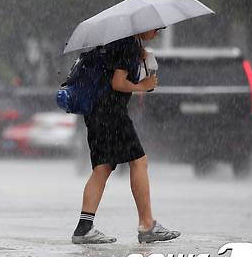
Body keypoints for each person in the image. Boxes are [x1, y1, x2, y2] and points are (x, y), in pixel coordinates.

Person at [71, 29, 181, 244]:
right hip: (112, 114)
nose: (159, 32)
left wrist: (138, 55)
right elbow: (117, 83)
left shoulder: (116, 42)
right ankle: (147, 225)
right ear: (141, 26)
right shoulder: (128, 44)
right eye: (156, 28)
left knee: (102, 168)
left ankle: (84, 228)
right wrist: (142, 86)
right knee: (139, 161)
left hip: (95, 113)